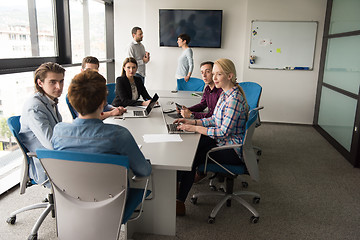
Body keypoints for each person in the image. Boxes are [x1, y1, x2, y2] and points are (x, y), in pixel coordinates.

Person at [174, 58, 249, 216]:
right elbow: (214, 119)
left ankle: (179, 201)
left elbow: (223, 131)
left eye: (218, 74)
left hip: (231, 149)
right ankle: (175, 185)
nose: (214, 78)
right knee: (189, 145)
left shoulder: (234, 100)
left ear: (229, 76)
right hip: (221, 141)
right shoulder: (225, 94)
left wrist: (194, 127)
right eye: (213, 74)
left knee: (192, 156)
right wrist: (191, 120)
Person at [51, 69, 152, 177]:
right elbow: (144, 171)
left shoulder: (58, 131)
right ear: (103, 103)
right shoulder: (119, 135)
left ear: (71, 101)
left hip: (69, 192)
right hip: (114, 193)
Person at [19, 62, 65, 186]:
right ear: (40, 83)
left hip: (55, 157)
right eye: (53, 82)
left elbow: (58, 130)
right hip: (46, 164)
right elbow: (51, 143)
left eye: (61, 81)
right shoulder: (35, 107)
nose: (59, 87)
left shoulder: (49, 100)